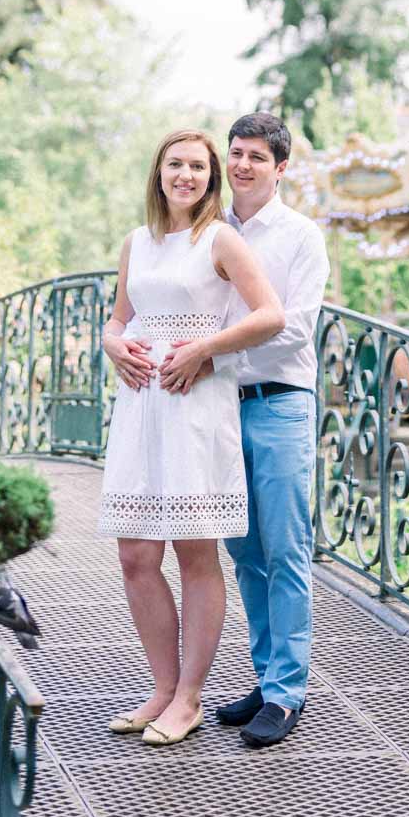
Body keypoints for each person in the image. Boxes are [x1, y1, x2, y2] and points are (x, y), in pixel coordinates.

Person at [97, 127, 284, 748]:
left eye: (199, 167)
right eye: (175, 164)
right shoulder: (137, 243)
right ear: (158, 172)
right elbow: (121, 317)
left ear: (211, 178)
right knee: (136, 556)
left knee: (193, 553)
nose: (186, 175)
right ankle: (161, 686)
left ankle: (190, 697)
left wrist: (205, 347)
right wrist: (111, 343)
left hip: (194, 404)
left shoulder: (220, 239)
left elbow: (270, 315)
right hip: (141, 405)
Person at [161, 112, 328, 750]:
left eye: (258, 156)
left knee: (285, 549)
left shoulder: (301, 237)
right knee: (243, 550)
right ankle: (265, 678)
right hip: (218, 406)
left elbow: (292, 328)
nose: (243, 165)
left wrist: (207, 350)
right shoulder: (208, 232)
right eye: (236, 153)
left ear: (281, 167)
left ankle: (288, 694)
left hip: (280, 401)